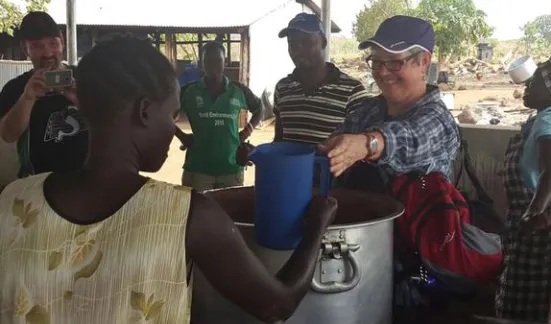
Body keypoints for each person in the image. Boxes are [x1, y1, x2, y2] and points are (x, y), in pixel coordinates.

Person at [0, 36, 337, 324]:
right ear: (144, 111)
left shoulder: (14, 198)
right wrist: (316, 228)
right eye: (171, 112)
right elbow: (277, 305)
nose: (172, 125)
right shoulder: (185, 215)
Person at [317, 15, 459, 191]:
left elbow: (411, 140)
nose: (383, 72)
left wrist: (368, 145)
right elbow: (329, 153)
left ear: (423, 62)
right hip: (359, 215)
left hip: (412, 218)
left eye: (394, 62)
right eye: (376, 62)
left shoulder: (439, 121)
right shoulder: (368, 111)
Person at [495, 51, 551, 322]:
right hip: (541, 222)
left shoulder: (550, 120)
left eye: (537, 79)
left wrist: (534, 212)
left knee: (520, 305)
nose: (528, 83)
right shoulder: (550, 117)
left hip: (542, 228)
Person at [0, 12, 88, 178]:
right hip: (38, 183)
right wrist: (27, 98)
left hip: (88, 178)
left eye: (53, 43)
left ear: (62, 41)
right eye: (37, 46)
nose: (47, 53)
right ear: (25, 49)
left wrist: (81, 101)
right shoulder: (15, 88)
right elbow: (8, 135)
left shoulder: (86, 78)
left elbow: (110, 125)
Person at [176, 41, 262, 191]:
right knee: (198, 212)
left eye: (218, 60)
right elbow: (162, 114)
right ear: (201, 64)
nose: (213, 66)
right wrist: (181, 136)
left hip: (231, 169)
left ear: (225, 61)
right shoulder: (188, 91)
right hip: (198, 170)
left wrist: (246, 132)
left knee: (228, 213)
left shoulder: (238, 90)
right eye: (207, 61)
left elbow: (259, 108)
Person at [273, 13, 370, 145]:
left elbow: (360, 148)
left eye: (306, 42)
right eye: (292, 43)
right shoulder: (282, 88)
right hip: (290, 167)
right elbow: (279, 141)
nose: (298, 50)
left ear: (323, 42)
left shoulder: (353, 92)